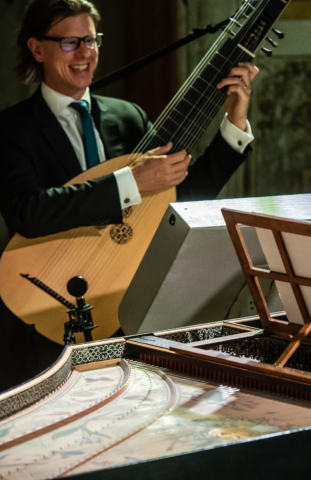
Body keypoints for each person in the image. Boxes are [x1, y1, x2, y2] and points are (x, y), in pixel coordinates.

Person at [0, 0, 258, 391]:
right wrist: (130, 183)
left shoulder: (127, 117)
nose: (85, 53)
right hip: (45, 313)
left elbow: (176, 202)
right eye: (70, 42)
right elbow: (28, 212)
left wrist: (234, 123)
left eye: (91, 40)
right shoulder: (11, 129)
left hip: (124, 307)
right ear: (37, 49)